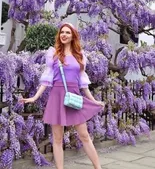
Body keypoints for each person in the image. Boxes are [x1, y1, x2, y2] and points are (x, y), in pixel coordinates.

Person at [21, 23, 104, 169]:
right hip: (57, 96)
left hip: (74, 95)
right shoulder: (54, 55)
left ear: (73, 36)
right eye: (62, 32)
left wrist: (93, 100)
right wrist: (34, 97)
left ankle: (98, 167)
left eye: (67, 32)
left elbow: (83, 83)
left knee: (84, 135)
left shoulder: (80, 55)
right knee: (57, 139)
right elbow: (46, 79)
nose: (64, 35)